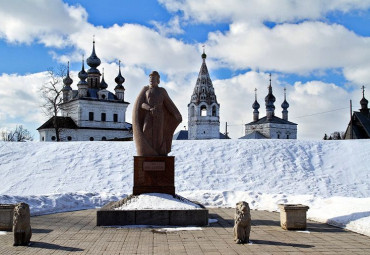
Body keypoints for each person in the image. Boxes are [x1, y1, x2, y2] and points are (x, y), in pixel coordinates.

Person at [133, 71, 182, 156]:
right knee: (145, 132)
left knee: (159, 136)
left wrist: (176, 114)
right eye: (150, 78)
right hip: (149, 114)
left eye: (153, 78)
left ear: (157, 80)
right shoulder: (146, 91)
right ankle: (148, 152)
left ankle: (159, 153)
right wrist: (149, 108)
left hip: (159, 115)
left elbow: (169, 103)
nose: (151, 80)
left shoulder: (161, 91)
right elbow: (142, 104)